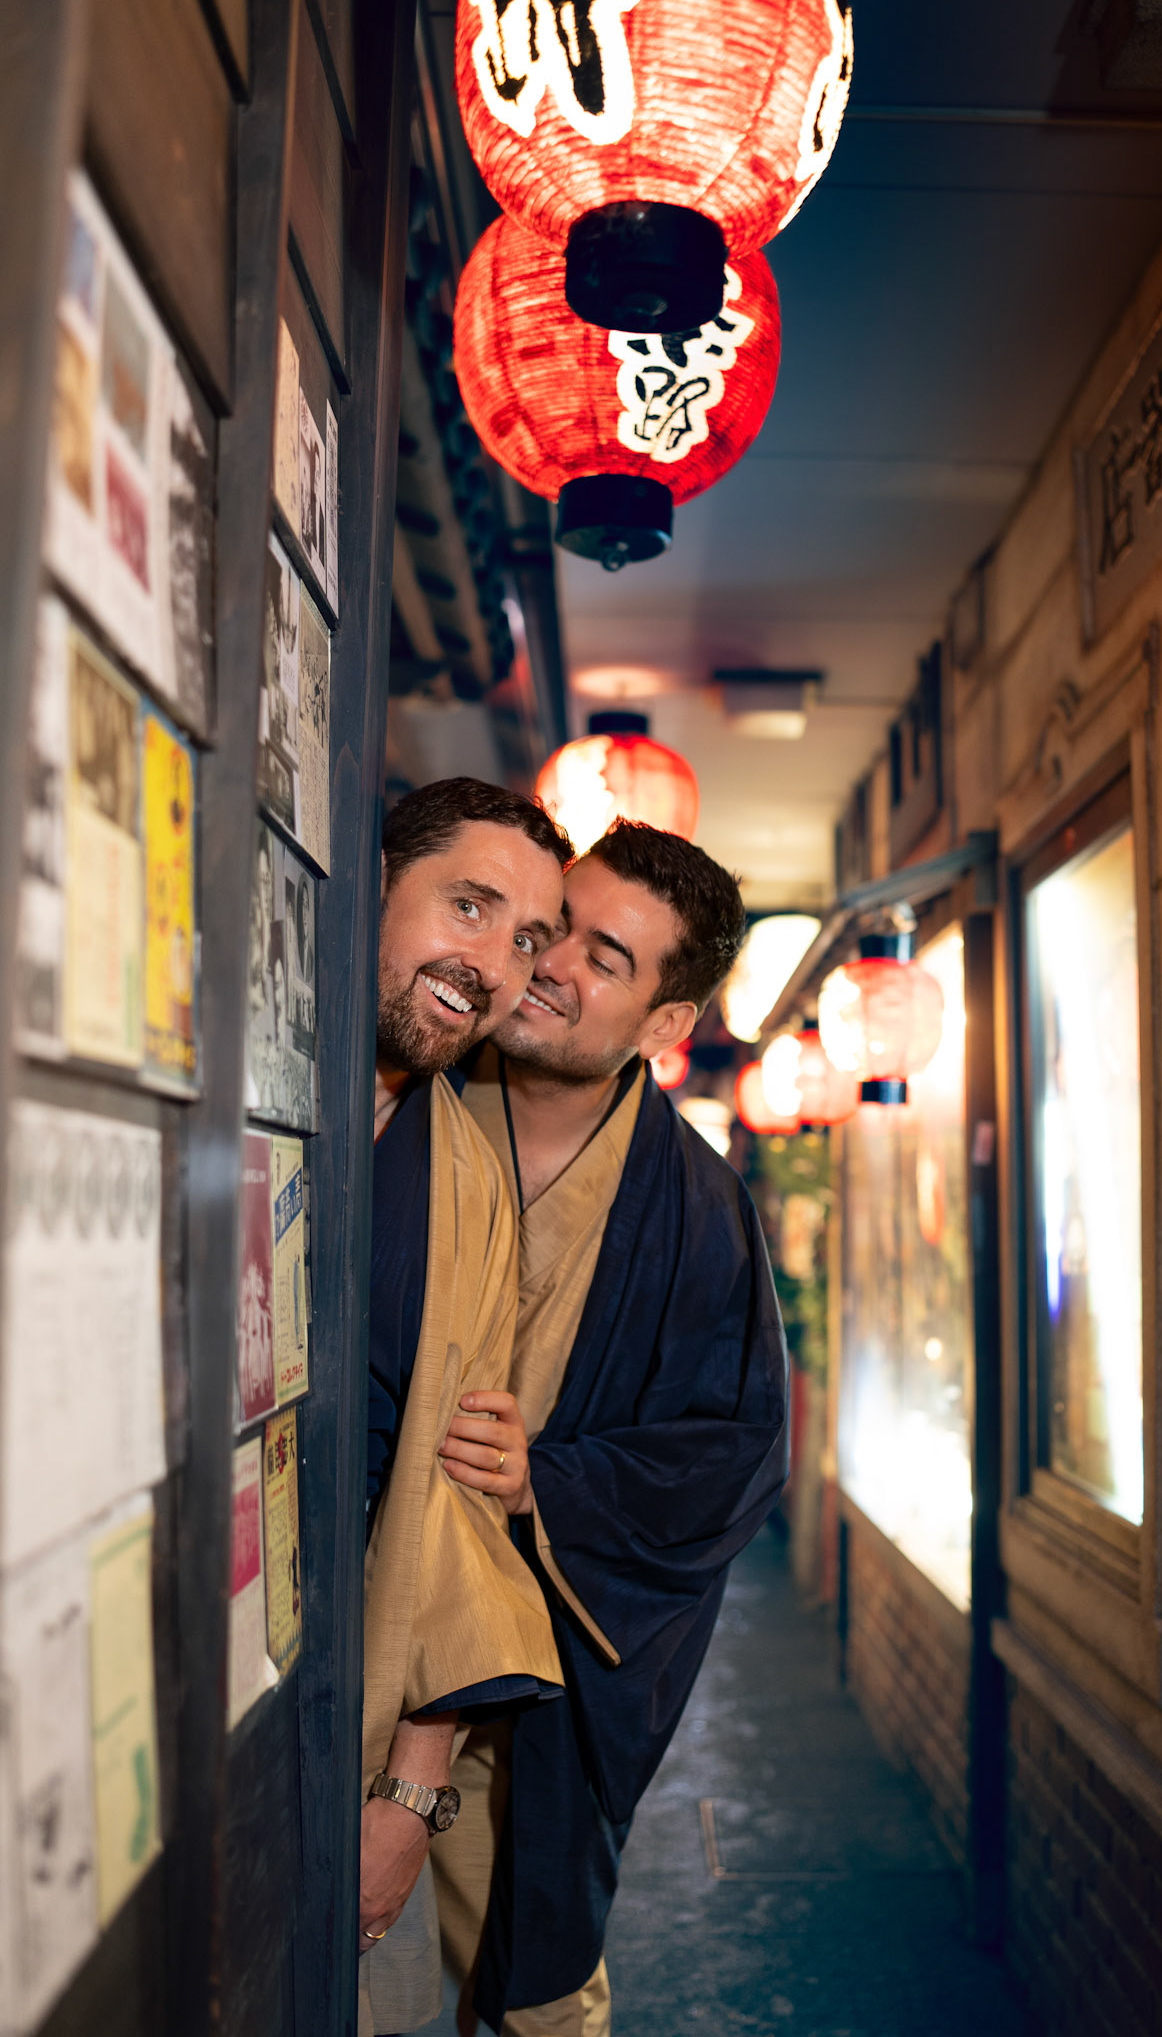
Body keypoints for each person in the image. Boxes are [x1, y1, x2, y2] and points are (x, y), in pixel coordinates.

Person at [429, 819, 789, 2036]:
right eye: (556, 924)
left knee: (536, 1991)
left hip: (531, 1674)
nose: (552, 962)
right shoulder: (402, 1098)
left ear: (665, 1024)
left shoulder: (698, 1216)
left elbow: (731, 1452)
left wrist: (554, 1481)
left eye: (610, 956)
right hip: (359, 1635)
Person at [359, 777, 574, 2037]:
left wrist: (415, 1788)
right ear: (375, 879)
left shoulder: (470, 1181)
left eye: (524, 939)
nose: (492, 963)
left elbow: (459, 1490)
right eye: (470, 905)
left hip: (364, 1694)